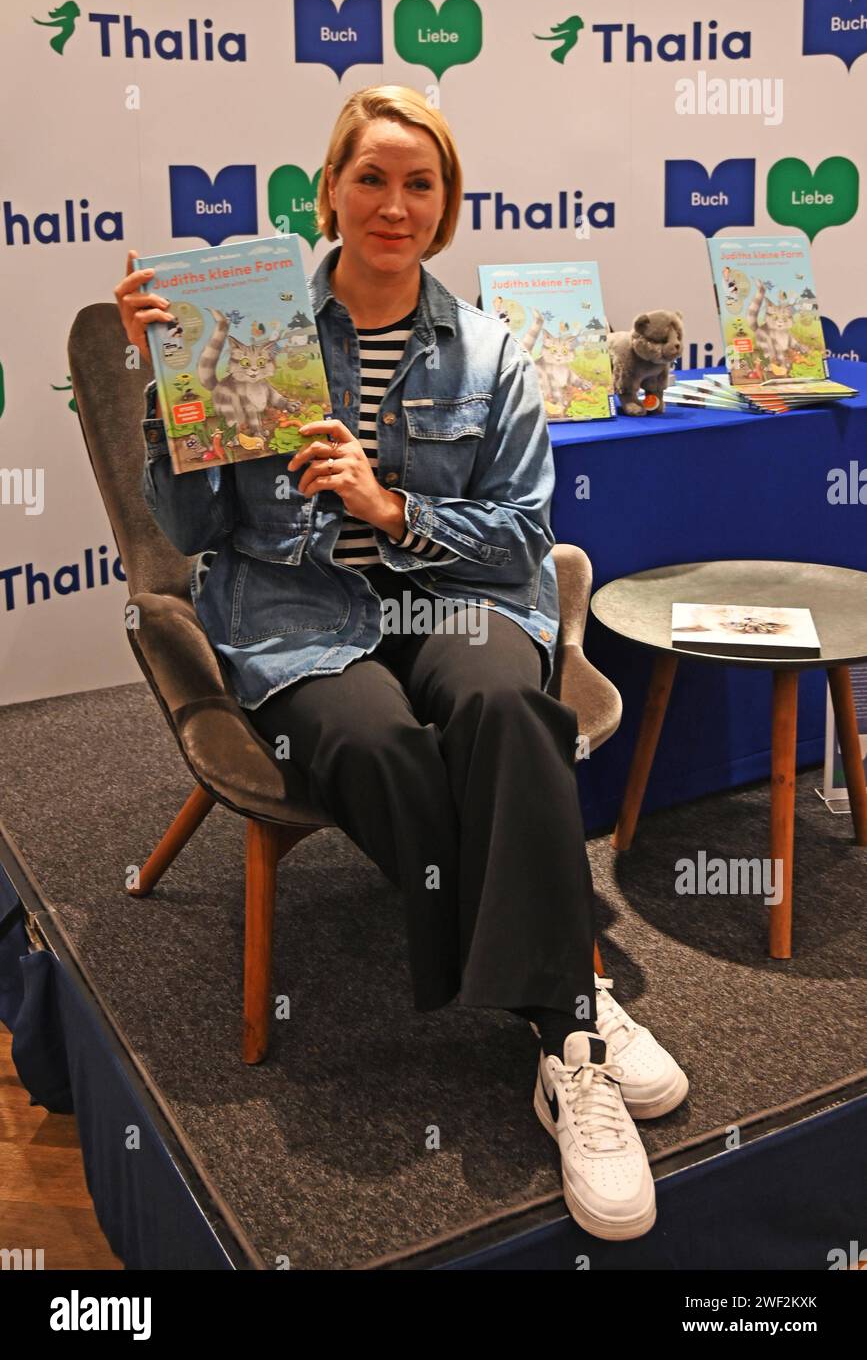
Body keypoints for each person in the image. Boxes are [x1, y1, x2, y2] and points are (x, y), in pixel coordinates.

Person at [115, 84, 688, 1243]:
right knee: (373, 740)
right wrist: (171, 396)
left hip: (456, 599)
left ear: (447, 205)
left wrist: (392, 502)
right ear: (327, 191)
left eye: (418, 183)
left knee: (508, 711)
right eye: (369, 178)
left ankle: (557, 1023)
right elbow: (186, 532)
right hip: (299, 610)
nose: (393, 204)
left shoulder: (489, 350)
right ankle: (567, 1015)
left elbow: (525, 534)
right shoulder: (252, 327)